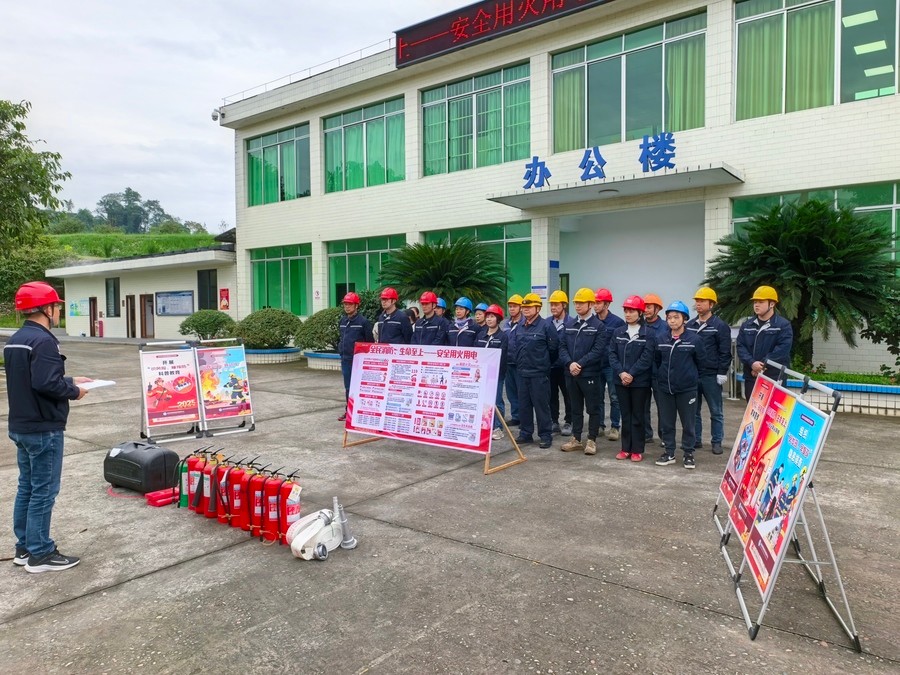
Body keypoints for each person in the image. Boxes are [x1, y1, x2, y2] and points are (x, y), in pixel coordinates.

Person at [5, 281, 90, 573]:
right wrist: (74, 390)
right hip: (43, 428)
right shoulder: (44, 341)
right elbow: (46, 383)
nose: (58, 312)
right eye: (56, 306)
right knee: (44, 490)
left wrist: (69, 380)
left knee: (27, 487)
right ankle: (40, 553)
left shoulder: (17, 339)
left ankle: (24, 548)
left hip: (22, 425)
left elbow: (32, 378)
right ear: (46, 309)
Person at [654, 301, 707, 470]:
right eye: (669, 317)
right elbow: (657, 361)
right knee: (667, 423)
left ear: (684, 319)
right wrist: (661, 378)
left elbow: (702, 363)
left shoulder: (694, 340)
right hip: (665, 389)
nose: (672, 321)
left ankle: (688, 453)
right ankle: (669, 452)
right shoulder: (661, 339)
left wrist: (692, 379)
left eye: (676, 317)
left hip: (687, 390)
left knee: (688, 423)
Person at [558, 288, 607, 456]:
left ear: (591, 304)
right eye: (576, 303)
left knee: (593, 408)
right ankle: (576, 439)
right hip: (571, 374)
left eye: (581, 303)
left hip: (589, 374)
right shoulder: (569, 325)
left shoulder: (599, 326)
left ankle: (591, 439)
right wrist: (570, 363)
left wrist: (579, 364)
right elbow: (562, 347)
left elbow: (598, 351)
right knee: (575, 407)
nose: (578, 306)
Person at [609, 295, 657, 462]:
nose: (628, 314)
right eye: (626, 311)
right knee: (626, 414)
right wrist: (621, 373)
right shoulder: (618, 332)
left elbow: (647, 357)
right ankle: (625, 448)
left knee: (638, 415)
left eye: (631, 311)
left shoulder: (648, 333)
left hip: (639, 382)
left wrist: (632, 374)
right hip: (620, 380)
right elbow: (612, 354)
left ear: (640, 313)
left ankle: (637, 449)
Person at [686, 287, 732, 455]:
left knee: (716, 411)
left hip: (711, 375)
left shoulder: (720, 326)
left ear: (711, 304)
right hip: (693, 374)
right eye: (697, 301)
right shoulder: (690, 325)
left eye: (702, 301)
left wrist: (722, 371)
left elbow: (725, 351)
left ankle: (717, 441)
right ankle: (696, 439)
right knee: (693, 410)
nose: (698, 304)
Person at [514, 293, 559, 449]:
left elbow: (554, 349)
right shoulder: (520, 326)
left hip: (539, 374)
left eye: (529, 307)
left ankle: (545, 435)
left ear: (538, 308)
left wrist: (543, 364)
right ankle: (526, 433)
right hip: (522, 373)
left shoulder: (546, 326)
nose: (525, 309)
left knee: (541, 406)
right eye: (524, 307)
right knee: (524, 405)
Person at [736, 286, 793, 400]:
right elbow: (740, 346)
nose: (756, 305)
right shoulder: (747, 325)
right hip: (751, 376)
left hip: (774, 378)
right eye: (755, 302)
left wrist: (761, 365)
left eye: (761, 302)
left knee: (773, 410)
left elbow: (782, 349)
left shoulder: (783, 325)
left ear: (772, 304)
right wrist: (752, 363)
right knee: (752, 410)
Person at [593, 288, 625, 442]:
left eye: (598, 302)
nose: (595, 305)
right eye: (594, 302)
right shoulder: (592, 322)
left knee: (614, 397)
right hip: (595, 365)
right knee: (597, 396)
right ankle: (599, 425)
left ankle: (615, 426)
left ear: (607, 304)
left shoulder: (617, 322)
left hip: (611, 366)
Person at [337, 292, 373, 421]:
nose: (347, 306)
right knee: (348, 387)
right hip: (346, 359)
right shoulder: (343, 321)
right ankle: (349, 411)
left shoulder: (363, 322)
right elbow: (341, 338)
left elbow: (369, 342)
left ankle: (361, 411)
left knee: (360, 387)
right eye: (345, 304)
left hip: (358, 361)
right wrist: (341, 350)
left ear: (356, 305)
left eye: (350, 304)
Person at [475, 304, 508, 441]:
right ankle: (484, 424)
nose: (489, 319)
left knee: (497, 400)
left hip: (496, 374)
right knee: (482, 399)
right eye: (487, 316)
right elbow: (476, 353)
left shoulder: (503, 336)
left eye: (492, 317)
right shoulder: (480, 335)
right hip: (481, 374)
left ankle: (498, 427)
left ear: (498, 319)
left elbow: (503, 356)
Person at [642, 293, 667, 446]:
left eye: (649, 307)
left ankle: (664, 436)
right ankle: (645, 434)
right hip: (642, 372)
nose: (646, 310)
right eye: (644, 307)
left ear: (657, 309)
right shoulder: (640, 326)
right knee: (642, 405)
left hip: (659, 372)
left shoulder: (665, 327)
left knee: (662, 406)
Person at [548, 290, 574, 436]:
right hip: (551, 366)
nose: (553, 307)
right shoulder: (547, 323)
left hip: (566, 366)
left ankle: (569, 421)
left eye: (556, 305)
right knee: (552, 396)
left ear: (564, 305)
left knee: (569, 395)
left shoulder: (572, 323)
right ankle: (554, 421)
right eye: (552, 305)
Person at [502, 294, 524, 426]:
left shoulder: (524, 323)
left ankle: (524, 418)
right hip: (508, 362)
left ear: (521, 308)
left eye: (514, 306)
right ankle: (516, 416)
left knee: (522, 393)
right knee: (511, 392)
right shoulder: (506, 324)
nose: (511, 309)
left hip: (520, 364)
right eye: (510, 306)